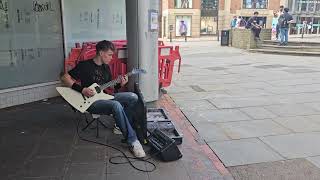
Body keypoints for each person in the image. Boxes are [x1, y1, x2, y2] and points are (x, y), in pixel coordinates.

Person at [61, 40, 146, 158]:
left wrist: (120, 84)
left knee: (133, 97)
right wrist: (82, 90)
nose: (112, 58)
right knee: (116, 105)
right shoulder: (85, 65)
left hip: (104, 97)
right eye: (110, 54)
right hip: (91, 102)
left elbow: (110, 88)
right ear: (101, 53)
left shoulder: (106, 68)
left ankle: (120, 125)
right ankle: (132, 141)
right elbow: (64, 78)